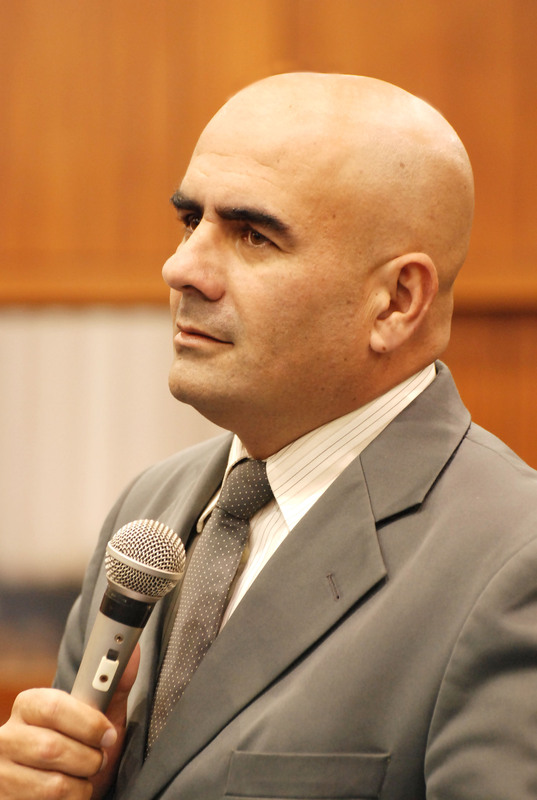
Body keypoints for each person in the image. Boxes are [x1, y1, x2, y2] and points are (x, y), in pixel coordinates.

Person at [1, 71, 537, 799]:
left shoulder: (513, 563)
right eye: (190, 221)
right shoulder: (150, 510)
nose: (181, 268)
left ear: (396, 300)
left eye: (253, 236)